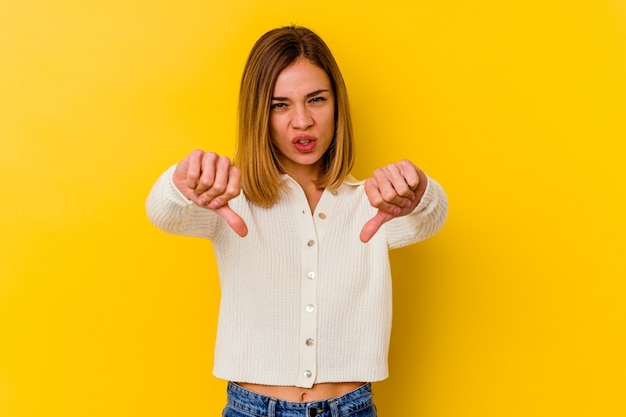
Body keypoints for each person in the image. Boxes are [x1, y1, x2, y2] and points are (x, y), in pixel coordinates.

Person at [146, 25, 447, 417]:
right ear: (259, 114)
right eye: (280, 105)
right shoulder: (230, 199)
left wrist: (419, 192)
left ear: (337, 105)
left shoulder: (370, 202)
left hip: (350, 408)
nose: (302, 120)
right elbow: (163, 212)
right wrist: (179, 183)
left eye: (316, 99)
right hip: (251, 409)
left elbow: (431, 216)